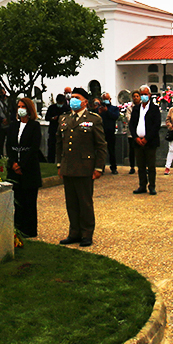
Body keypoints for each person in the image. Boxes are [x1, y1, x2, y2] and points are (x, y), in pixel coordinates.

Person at [57, 88, 107, 247]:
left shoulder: (93, 119)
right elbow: (59, 143)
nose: (73, 100)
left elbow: (101, 145)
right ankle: (74, 232)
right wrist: (59, 164)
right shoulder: (64, 118)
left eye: (77, 98)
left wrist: (98, 167)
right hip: (68, 167)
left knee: (85, 202)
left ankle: (86, 233)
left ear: (85, 102)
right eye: (72, 98)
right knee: (71, 203)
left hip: (85, 167)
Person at [6, 96, 43, 238]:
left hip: (29, 168)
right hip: (15, 167)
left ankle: (30, 229)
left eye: (23, 107)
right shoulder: (13, 126)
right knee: (18, 201)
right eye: (19, 107)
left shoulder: (34, 126)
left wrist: (22, 165)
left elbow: (34, 147)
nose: (21, 109)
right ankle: (18, 227)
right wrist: (14, 163)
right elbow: (9, 145)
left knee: (29, 201)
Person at [129, 85, 161, 195]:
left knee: (151, 166)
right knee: (141, 165)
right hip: (138, 142)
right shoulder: (136, 108)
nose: (143, 97)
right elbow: (132, 125)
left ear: (150, 95)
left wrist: (146, 138)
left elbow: (156, 126)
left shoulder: (154, 108)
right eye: (141, 94)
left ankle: (152, 186)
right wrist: (136, 137)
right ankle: (142, 185)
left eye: (145, 94)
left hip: (150, 142)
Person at [95, 92, 121, 174]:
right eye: (104, 99)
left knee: (112, 150)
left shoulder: (114, 108)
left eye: (107, 99)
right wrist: (99, 112)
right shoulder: (99, 109)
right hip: (101, 132)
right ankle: (100, 167)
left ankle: (113, 167)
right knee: (101, 151)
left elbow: (115, 116)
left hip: (110, 132)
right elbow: (95, 118)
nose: (106, 101)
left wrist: (107, 111)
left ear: (110, 99)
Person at [43, 94, 69, 163]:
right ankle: (50, 161)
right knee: (52, 147)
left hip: (63, 130)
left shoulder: (66, 108)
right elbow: (47, 117)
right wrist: (52, 118)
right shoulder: (52, 108)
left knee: (63, 147)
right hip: (53, 130)